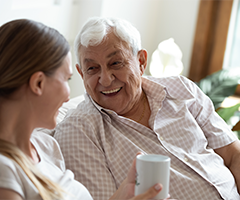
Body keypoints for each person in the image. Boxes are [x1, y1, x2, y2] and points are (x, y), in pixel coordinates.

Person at [54, 16, 240, 200]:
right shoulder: (78, 131)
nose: (106, 79)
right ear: (81, 73)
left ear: (141, 61)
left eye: (116, 63)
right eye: (92, 69)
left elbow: (233, 155)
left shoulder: (182, 89)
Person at [0, 19, 164, 200]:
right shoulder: (4, 169)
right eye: (66, 79)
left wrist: (124, 194)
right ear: (38, 83)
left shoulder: (46, 147)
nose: (68, 97)